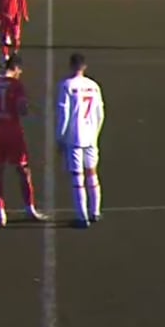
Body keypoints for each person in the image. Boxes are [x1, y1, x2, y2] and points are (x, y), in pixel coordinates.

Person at [0, 56, 46, 225]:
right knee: (23, 170)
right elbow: (22, 109)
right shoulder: (16, 85)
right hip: (12, 131)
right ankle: (29, 208)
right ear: (16, 68)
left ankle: (0, 212)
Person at [56, 53, 106, 229]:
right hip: (91, 136)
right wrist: (95, 133)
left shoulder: (66, 86)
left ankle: (81, 216)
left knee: (77, 177)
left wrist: (60, 138)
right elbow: (100, 114)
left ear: (71, 65)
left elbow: (64, 115)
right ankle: (96, 211)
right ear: (84, 66)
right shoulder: (94, 86)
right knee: (92, 173)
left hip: (74, 137)